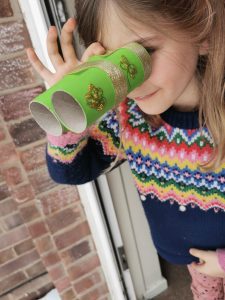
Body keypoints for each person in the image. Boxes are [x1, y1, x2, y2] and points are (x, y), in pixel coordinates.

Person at [27, 0, 225, 298]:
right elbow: (71, 170)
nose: (132, 82)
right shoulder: (128, 117)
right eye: (113, 66)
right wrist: (70, 110)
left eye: (143, 53)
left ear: (203, 33)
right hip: (196, 264)